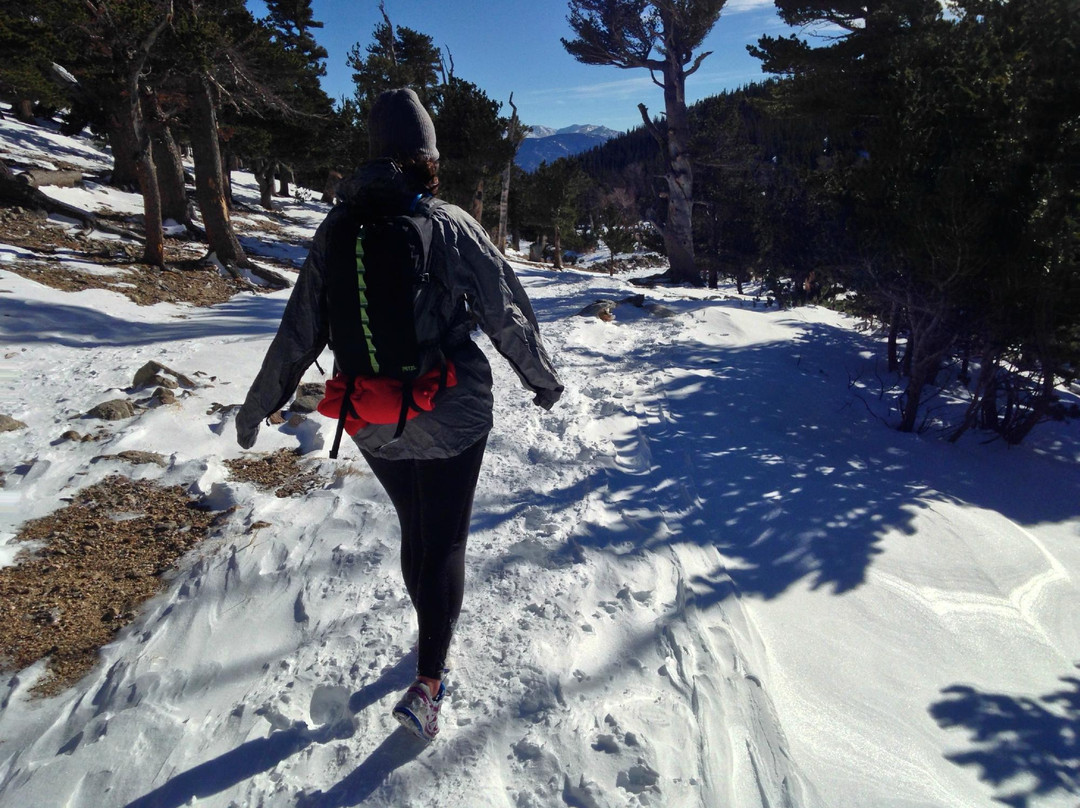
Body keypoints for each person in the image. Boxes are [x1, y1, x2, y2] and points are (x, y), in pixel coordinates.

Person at [235, 88, 563, 741]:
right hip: (451, 411)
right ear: (427, 157)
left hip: (370, 417)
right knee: (445, 540)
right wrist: (541, 379)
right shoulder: (450, 224)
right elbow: (504, 312)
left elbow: (299, 330)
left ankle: (429, 635)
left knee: (417, 526)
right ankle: (429, 682)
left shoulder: (337, 228)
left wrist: (258, 405)